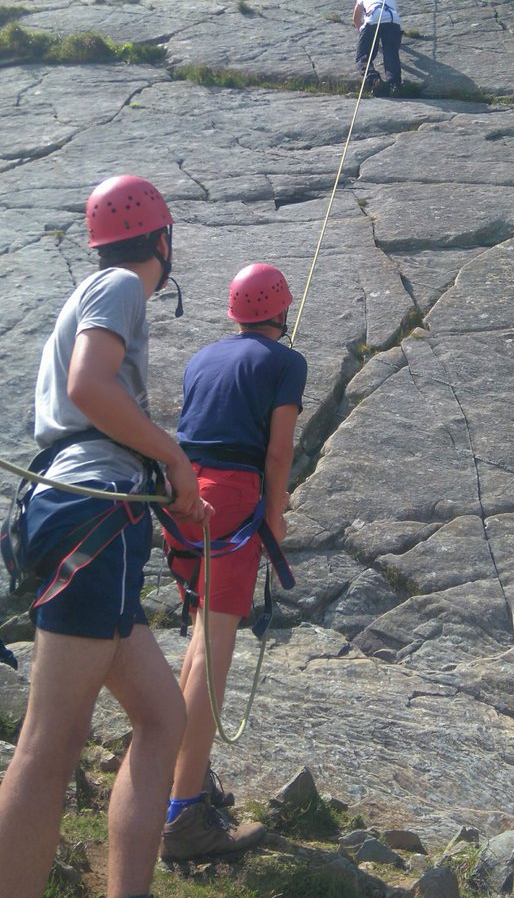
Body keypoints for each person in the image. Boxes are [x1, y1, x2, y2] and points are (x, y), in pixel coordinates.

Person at [0, 174, 211, 898]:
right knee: (49, 745)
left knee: (162, 715)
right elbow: (93, 387)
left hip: (86, 507)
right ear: (162, 238)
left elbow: (89, 395)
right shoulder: (121, 284)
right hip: (95, 512)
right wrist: (175, 457)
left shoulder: (95, 289)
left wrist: (160, 470)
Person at [160, 262, 307, 864]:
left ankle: (179, 782)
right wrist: (275, 520)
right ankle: (183, 817)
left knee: (200, 638)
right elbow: (277, 454)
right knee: (216, 647)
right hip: (232, 500)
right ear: (281, 311)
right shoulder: (286, 362)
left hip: (183, 495)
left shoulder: (202, 357)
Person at [353, 0, 403, 96]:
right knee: (391, 54)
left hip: (373, 20)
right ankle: (394, 86)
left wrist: (363, 33)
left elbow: (356, 19)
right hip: (393, 22)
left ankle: (374, 79)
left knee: (362, 57)